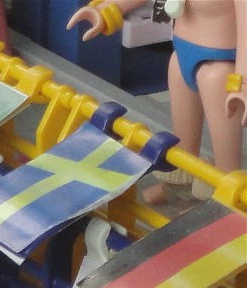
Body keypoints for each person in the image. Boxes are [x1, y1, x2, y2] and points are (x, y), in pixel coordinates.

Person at [67, 0, 246, 203]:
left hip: (220, 66)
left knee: (226, 161)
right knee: (183, 142)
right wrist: (106, 10)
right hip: (181, 55)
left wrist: (243, 82)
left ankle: (225, 202)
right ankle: (177, 186)